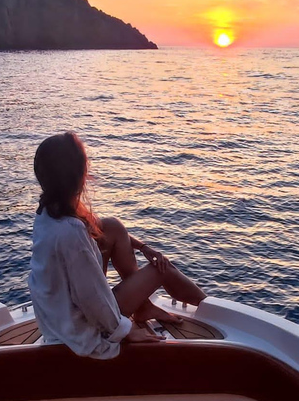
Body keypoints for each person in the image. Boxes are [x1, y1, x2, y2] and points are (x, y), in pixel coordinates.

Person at [27, 132, 207, 359]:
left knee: (112, 227)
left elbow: (100, 230)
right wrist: (126, 330)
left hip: (57, 317)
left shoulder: (49, 214)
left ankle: (143, 307)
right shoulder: (70, 233)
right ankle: (212, 308)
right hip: (78, 330)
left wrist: (144, 248)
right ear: (79, 175)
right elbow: (92, 298)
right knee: (161, 269)